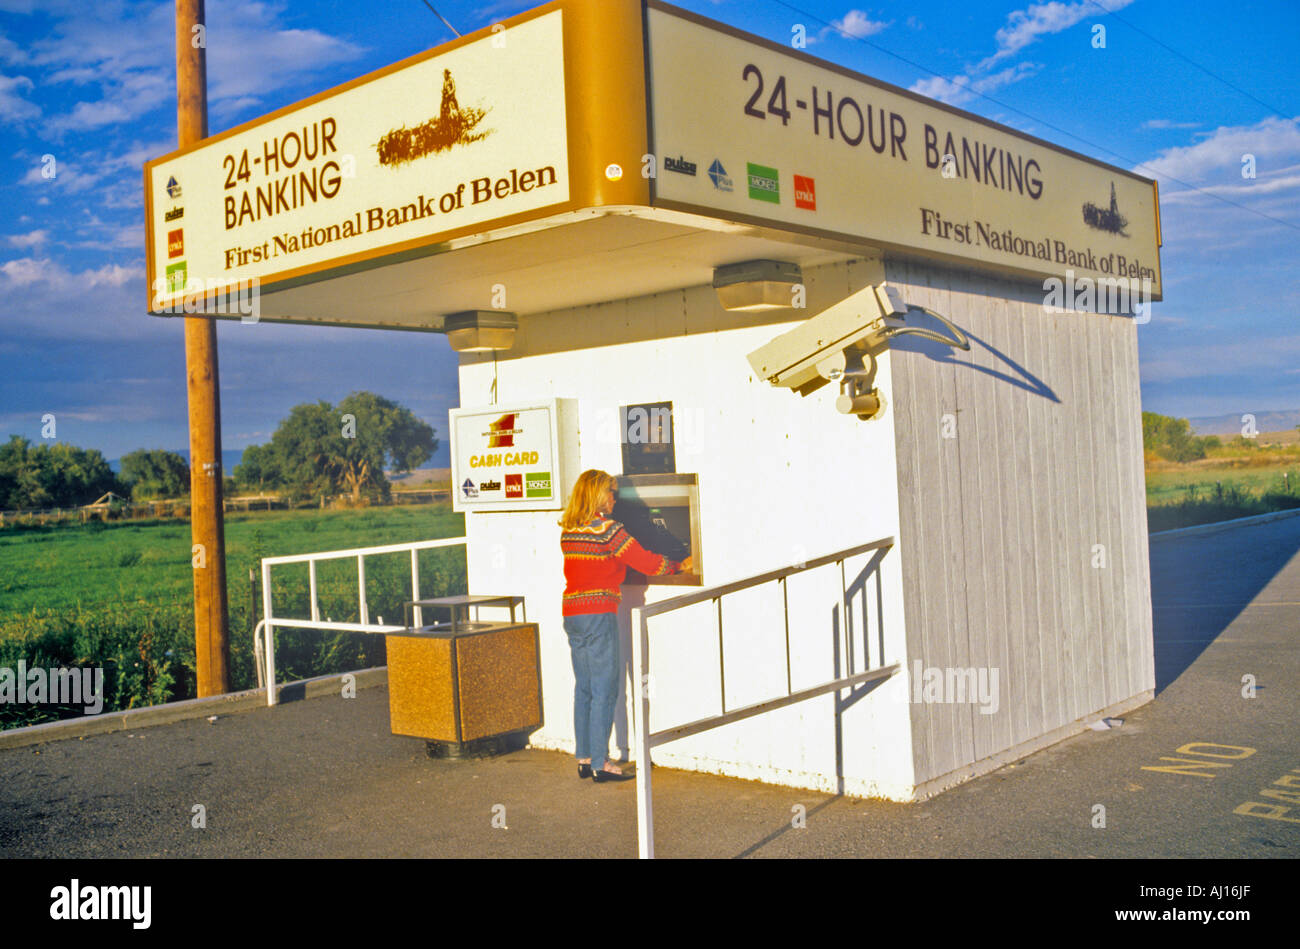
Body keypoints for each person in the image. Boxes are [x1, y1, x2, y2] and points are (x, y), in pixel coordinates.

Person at [559, 469, 692, 783]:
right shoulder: (608, 529)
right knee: (606, 687)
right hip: (598, 611)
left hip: (572, 613)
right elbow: (645, 561)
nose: (614, 498)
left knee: (585, 687)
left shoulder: (570, 529)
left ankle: (585, 756)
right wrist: (677, 565)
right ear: (596, 495)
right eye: (610, 492)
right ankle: (601, 763)